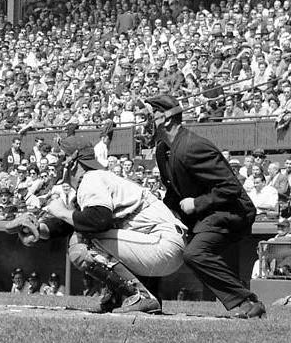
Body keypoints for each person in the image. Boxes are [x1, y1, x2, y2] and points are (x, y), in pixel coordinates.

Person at [14, 133, 186, 314]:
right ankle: (121, 297)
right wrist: (39, 229)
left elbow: (97, 220)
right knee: (87, 232)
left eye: (63, 156)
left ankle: (140, 296)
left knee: (83, 242)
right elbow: (75, 221)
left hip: (162, 243)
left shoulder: (91, 179)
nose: (59, 163)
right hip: (159, 245)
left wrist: (62, 211)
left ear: (72, 162)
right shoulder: (96, 178)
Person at [144, 93, 265, 319]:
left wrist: (197, 203)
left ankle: (248, 302)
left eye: (152, 115)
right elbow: (174, 192)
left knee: (195, 254)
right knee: (153, 236)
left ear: (167, 119)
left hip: (229, 211)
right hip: (203, 213)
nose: (147, 121)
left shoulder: (194, 147)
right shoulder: (163, 151)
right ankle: (147, 300)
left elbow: (230, 188)